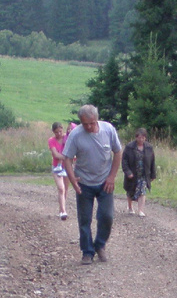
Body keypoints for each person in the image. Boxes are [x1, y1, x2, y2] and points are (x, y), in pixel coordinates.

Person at [63, 105, 123, 265]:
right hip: (84, 183)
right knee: (85, 219)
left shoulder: (108, 130)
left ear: (97, 119)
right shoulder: (75, 135)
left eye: (92, 123)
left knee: (107, 216)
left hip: (105, 182)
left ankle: (100, 244)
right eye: (85, 124)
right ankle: (87, 251)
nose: (89, 127)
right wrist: (72, 179)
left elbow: (118, 152)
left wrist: (112, 177)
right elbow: (67, 158)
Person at [122, 128, 157, 217]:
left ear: (145, 138)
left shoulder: (149, 147)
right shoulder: (129, 147)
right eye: (139, 137)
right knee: (130, 190)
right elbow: (124, 161)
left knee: (142, 191)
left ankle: (140, 210)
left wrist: (153, 174)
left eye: (143, 138)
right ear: (136, 137)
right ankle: (130, 207)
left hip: (144, 173)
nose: (141, 139)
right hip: (132, 173)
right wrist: (128, 172)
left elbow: (152, 161)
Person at [48, 122, 69, 220]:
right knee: (61, 188)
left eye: (60, 131)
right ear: (53, 132)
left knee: (65, 189)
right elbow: (55, 154)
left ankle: (62, 209)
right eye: (56, 132)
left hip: (67, 166)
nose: (59, 134)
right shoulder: (51, 141)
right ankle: (63, 211)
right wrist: (67, 157)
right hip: (57, 166)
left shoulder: (66, 138)